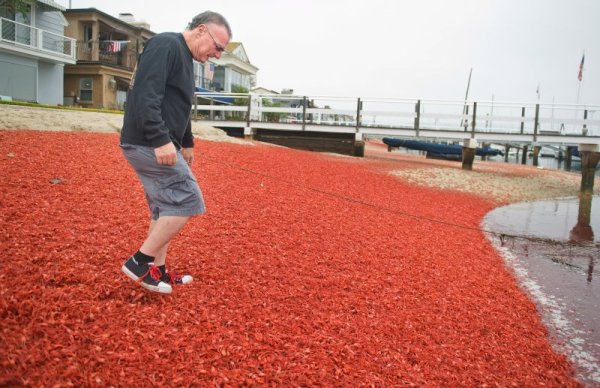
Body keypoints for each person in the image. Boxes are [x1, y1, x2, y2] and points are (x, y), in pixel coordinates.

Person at [120, 11, 232, 294]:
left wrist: (187, 141)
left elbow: (179, 105)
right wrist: (160, 140)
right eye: (218, 47)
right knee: (188, 199)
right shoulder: (166, 45)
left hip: (157, 142)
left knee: (166, 206)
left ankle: (156, 272)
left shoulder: (184, 56)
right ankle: (139, 262)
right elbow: (146, 95)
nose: (218, 55)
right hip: (147, 142)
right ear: (201, 31)